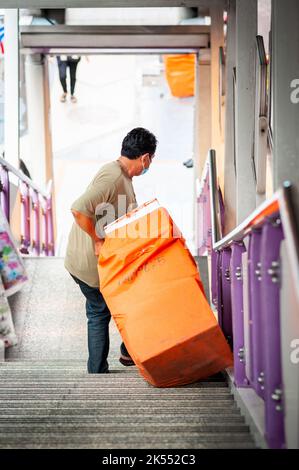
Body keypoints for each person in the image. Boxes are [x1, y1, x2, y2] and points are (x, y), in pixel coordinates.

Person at [64, 128, 157, 373]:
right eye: (149, 163)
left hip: (90, 262)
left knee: (109, 307)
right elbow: (78, 208)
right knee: (104, 310)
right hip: (91, 265)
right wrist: (97, 240)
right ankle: (105, 366)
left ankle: (112, 361)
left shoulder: (121, 174)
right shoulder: (114, 178)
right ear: (145, 158)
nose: (147, 168)